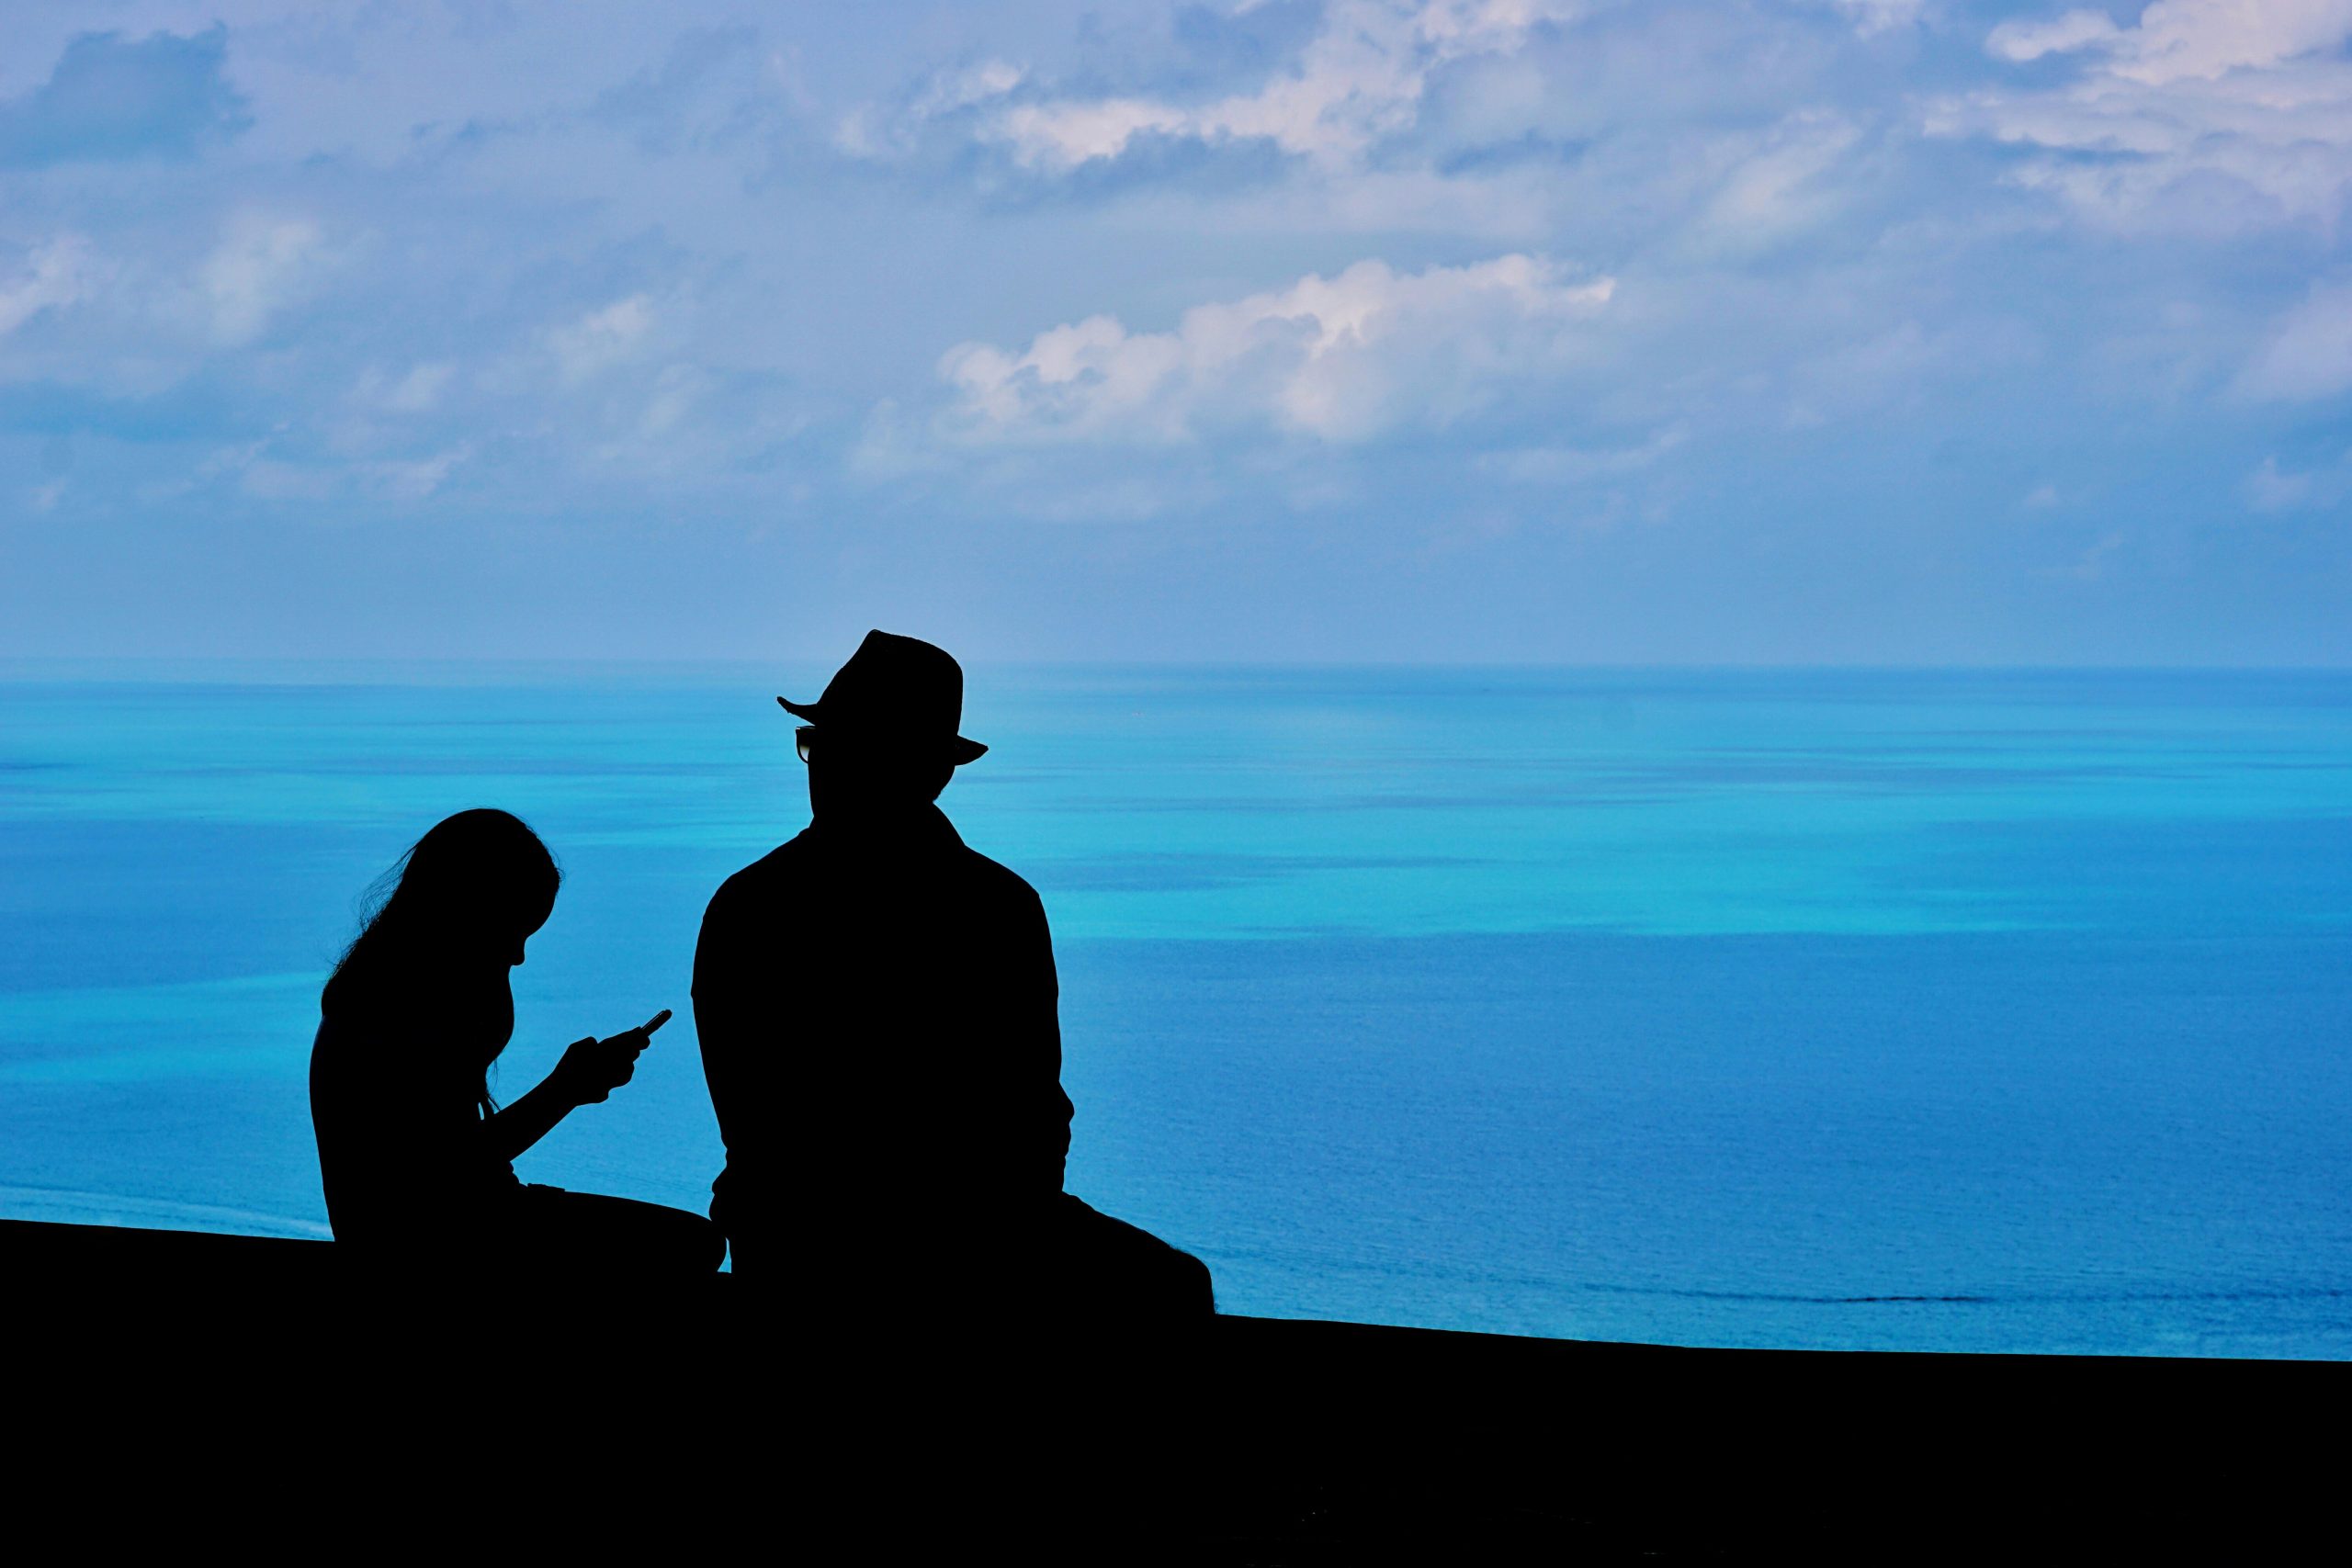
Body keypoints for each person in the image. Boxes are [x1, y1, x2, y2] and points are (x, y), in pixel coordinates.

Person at [693, 630, 1212, 1323]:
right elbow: (1033, 1108)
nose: (823, 767)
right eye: (819, 744)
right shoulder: (997, 905)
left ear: (926, 771)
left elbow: (751, 1118)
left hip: (792, 1238)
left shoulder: (748, 902)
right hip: (952, 1236)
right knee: (1175, 1288)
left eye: (845, 747)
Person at [311, 807, 722, 1277]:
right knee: (696, 1245)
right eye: (510, 932)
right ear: (466, 913)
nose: (519, 955)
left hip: (442, 1225)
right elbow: (449, 1169)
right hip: (437, 1239)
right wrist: (565, 1090)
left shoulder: (377, 991)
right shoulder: (397, 1011)